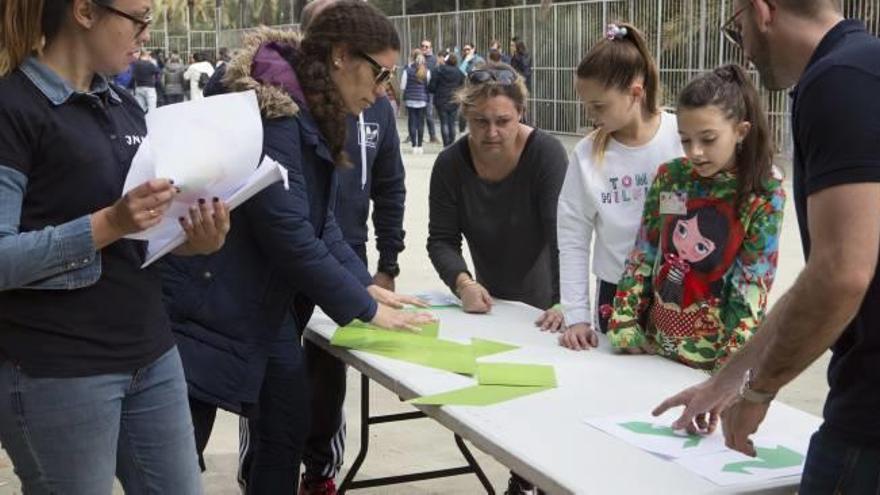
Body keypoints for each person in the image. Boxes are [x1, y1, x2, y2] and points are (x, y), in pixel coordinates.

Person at [160, 3, 432, 494]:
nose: (384, 90)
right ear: (342, 57)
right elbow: (289, 235)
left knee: (286, 426)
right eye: (381, 72)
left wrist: (369, 285)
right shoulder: (277, 112)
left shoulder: (314, 109)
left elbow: (321, 223)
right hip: (207, 305)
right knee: (176, 460)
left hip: (260, 307)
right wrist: (365, 309)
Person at [0, 0, 230, 493]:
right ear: (85, 11)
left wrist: (193, 240)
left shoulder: (123, 106)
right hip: (57, 369)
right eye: (139, 18)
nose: (146, 34)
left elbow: (140, 240)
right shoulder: (13, 108)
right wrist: (110, 222)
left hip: (151, 354)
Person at [653, 1, 880, 491]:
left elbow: (842, 273)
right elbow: (819, 275)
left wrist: (759, 390)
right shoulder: (862, 66)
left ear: (762, 11)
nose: (747, 51)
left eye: (739, 30)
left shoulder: (837, 80)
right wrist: (727, 380)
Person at [427, 64, 567, 494]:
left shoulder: (546, 154)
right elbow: (441, 240)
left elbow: (562, 236)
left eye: (503, 121)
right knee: (506, 406)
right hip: (490, 301)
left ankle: (545, 481)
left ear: (521, 113)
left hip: (546, 299)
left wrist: (564, 302)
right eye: (479, 122)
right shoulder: (450, 164)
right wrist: (463, 282)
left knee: (550, 404)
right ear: (464, 117)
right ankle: (521, 479)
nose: (491, 133)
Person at [606, 63, 784, 374]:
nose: (696, 152)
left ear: (741, 131)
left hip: (714, 363)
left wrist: (730, 369)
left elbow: (751, 286)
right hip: (651, 349)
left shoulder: (763, 195)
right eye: (686, 140)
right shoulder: (673, 178)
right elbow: (644, 253)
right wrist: (624, 320)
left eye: (708, 139)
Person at [538, 23, 683, 342]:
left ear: (635, 92)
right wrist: (576, 315)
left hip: (683, 295)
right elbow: (573, 236)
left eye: (599, 106)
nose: (591, 115)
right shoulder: (586, 154)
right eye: (586, 104)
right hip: (616, 297)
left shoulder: (682, 137)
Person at [429, 52, 466, 147]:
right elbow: (462, 86)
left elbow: (432, 85)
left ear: (447, 60)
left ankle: (446, 144)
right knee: (452, 122)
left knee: (444, 122)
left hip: (441, 99)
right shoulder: (460, 73)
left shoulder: (439, 70)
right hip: (454, 99)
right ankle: (452, 143)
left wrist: (434, 90)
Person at [401, 49, 431, 154]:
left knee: (412, 122)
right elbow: (428, 86)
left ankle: (414, 146)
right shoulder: (427, 72)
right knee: (421, 123)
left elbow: (403, 86)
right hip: (422, 100)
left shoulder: (407, 71)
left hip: (410, 99)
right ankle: (420, 146)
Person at [420, 39, 439, 144]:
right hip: (418, 89)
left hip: (428, 90)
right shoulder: (417, 58)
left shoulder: (433, 59)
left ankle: (433, 136)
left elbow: (433, 74)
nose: (424, 48)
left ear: (430, 48)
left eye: (426, 47)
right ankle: (416, 136)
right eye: (422, 46)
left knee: (428, 114)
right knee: (417, 114)